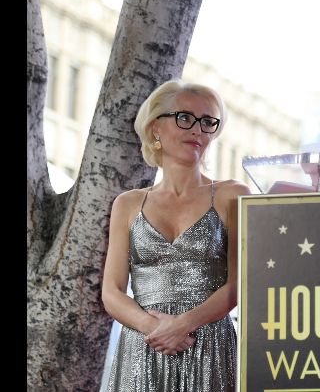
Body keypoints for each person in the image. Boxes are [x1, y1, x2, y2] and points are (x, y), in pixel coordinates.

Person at [102, 79, 250, 391]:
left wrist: (183, 325)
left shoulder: (232, 195)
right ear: (155, 127)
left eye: (208, 122)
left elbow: (240, 284)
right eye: (185, 118)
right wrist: (154, 328)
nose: (198, 130)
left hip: (208, 345)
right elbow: (112, 293)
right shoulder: (127, 204)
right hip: (144, 345)